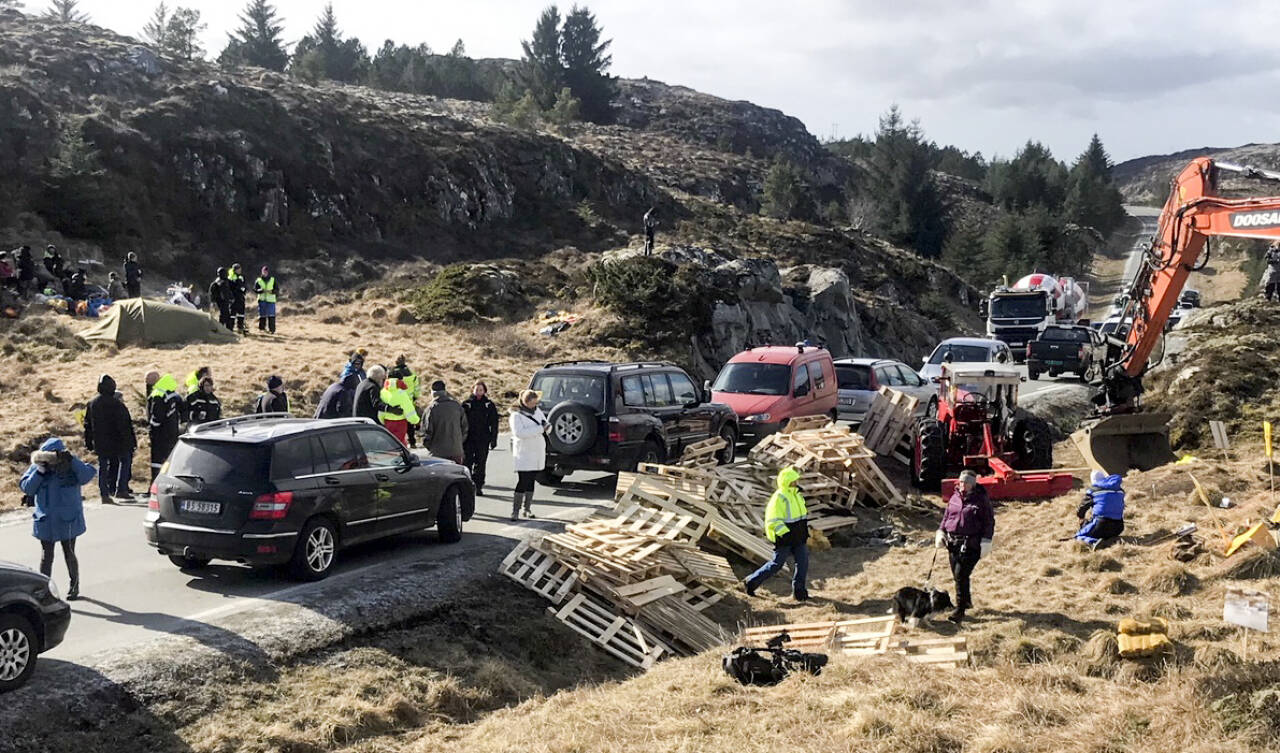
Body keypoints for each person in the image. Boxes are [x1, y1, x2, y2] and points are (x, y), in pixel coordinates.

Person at [20, 438, 94, 600]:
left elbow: (87, 475)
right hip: (46, 519)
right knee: (47, 556)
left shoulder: (71, 466)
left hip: (67, 519)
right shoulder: (38, 468)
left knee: (69, 552)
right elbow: (27, 487)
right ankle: (44, 589)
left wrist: (72, 460)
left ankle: (74, 586)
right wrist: (39, 472)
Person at [935, 469, 995, 624]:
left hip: (971, 544)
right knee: (957, 576)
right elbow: (947, 516)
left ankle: (960, 611)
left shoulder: (981, 500)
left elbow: (989, 522)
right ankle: (967, 602)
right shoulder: (954, 497)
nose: (963, 485)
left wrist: (986, 541)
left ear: (973, 484)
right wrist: (941, 531)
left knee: (961, 576)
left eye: (966, 483)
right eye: (961, 482)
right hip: (952, 543)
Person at [744, 466, 811, 601]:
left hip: (798, 536)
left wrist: (804, 532)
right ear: (787, 481)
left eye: (796, 480)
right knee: (777, 564)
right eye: (793, 481)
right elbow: (773, 520)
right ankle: (751, 582)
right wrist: (784, 534)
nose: (796, 483)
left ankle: (799, 592)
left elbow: (801, 516)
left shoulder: (797, 495)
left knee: (803, 562)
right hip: (785, 538)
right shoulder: (779, 498)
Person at [83, 374, 136, 504]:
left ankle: (104, 494)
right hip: (118, 441)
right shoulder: (118, 405)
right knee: (125, 461)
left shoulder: (92, 404)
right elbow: (125, 426)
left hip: (100, 441)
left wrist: (89, 442)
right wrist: (131, 442)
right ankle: (121, 489)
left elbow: (87, 425)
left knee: (103, 466)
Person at [509, 389, 546, 521]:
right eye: (532, 403)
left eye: (536, 402)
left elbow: (544, 422)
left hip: (537, 451)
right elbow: (520, 433)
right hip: (524, 452)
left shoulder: (537, 411)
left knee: (531, 481)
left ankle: (527, 509)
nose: (534, 405)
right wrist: (540, 429)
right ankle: (515, 511)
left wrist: (548, 427)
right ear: (525, 402)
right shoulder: (516, 415)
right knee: (523, 481)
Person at [462, 381, 501, 496]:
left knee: (481, 463)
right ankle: (467, 485)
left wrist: (494, 439)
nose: (478, 392)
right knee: (467, 462)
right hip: (468, 439)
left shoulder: (489, 404)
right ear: (472, 390)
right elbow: (460, 421)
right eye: (476, 389)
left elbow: (494, 423)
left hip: (483, 439)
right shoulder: (466, 404)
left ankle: (478, 485)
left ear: (484, 391)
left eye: (481, 390)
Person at [146, 371, 184, 481]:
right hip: (172, 432)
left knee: (157, 461)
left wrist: (152, 429)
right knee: (169, 459)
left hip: (160, 434)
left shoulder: (158, 394)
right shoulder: (172, 393)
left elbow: (157, 417)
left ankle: (156, 483)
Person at [1075, 470, 1126, 548]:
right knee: (1105, 533)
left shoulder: (1093, 491)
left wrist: (1081, 517)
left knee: (1078, 536)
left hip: (1101, 525)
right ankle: (1107, 539)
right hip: (1119, 527)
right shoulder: (1119, 490)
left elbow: (1082, 507)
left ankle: (1093, 542)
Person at [423, 380, 468, 463]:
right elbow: (465, 428)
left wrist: (431, 447)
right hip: (456, 451)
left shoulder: (431, 409)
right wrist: (458, 442)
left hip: (437, 453)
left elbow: (426, 432)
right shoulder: (457, 406)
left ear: (432, 393)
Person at [388, 355, 420, 446]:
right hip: (409, 402)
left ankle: (396, 443)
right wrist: (414, 397)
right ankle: (412, 442)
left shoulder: (393, 373)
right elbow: (417, 390)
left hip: (397, 401)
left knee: (398, 424)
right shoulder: (412, 374)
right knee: (410, 424)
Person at [379, 374, 421, 445]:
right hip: (400, 422)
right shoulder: (402, 393)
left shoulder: (383, 392)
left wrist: (382, 420)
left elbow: (381, 408)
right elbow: (409, 410)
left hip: (387, 421)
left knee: (389, 442)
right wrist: (416, 420)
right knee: (400, 443)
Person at [254, 265, 279, 333]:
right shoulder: (258, 280)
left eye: (266, 271)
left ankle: (272, 330)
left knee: (271, 315)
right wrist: (261, 290)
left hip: (271, 300)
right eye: (264, 271)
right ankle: (262, 329)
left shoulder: (273, 280)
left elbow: (277, 290)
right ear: (262, 272)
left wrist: (272, 292)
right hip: (262, 300)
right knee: (262, 315)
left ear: (268, 272)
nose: (265, 273)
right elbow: (255, 289)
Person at [227, 263, 248, 334]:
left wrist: (244, 289)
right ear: (235, 270)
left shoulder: (241, 277)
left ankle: (240, 327)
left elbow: (244, 285)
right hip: (234, 298)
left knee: (241, 314)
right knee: (232, 314)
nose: (240, 270)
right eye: (238, 269)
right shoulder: (230, 277)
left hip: (241, 298)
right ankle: (230, 328)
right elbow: (230, 288)